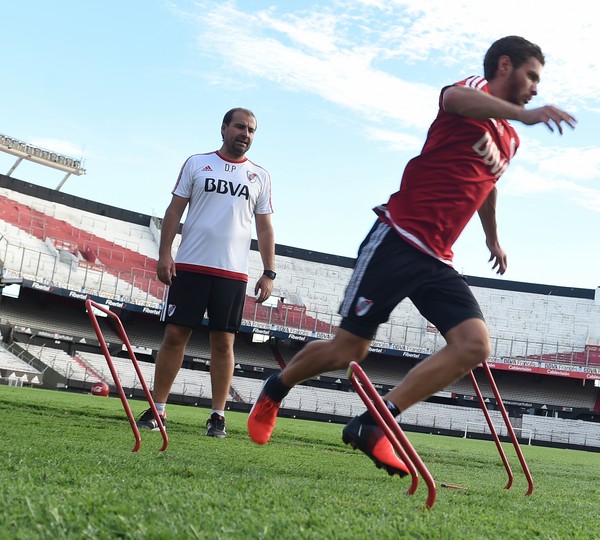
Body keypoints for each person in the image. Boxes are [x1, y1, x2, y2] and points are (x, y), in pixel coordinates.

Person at [248, 36, 575, 474]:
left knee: (474, 345)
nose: (536, 87)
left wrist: (492, 238)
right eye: (531, 75)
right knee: (348, 351)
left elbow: (487, 185)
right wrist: (524, 113)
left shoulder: (511, 138)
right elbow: (454, 99)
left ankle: (373, 424)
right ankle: (276, 388)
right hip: (397, 238)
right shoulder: (476, 90)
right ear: (504, 65)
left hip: (438, 258)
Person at [136, 107, 276, 438]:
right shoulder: (197, 164)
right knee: (174, 336)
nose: (246, 133)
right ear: (224, 128)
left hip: (232, 273)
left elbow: (266, 228)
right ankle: (158, 410)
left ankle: (217, 416)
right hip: (190, 265)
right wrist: (164, 253)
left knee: (223, 343)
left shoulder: (260, 176)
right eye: (240, 126)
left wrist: (269, 271)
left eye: (252, 130)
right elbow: (174, 210)